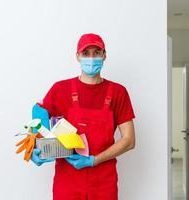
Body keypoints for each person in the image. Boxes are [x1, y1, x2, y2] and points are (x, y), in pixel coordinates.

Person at [31, 33, 136, 200]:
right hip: (68, 180)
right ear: (78, 56)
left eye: (97, 52)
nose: (91, 58)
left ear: (104, 55)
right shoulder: (60, 89)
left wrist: (94, 160)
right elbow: (38, 116)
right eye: (86, 53)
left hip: (104, 180)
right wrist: (35, 148)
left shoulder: (118, 92)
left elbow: (129, 140)